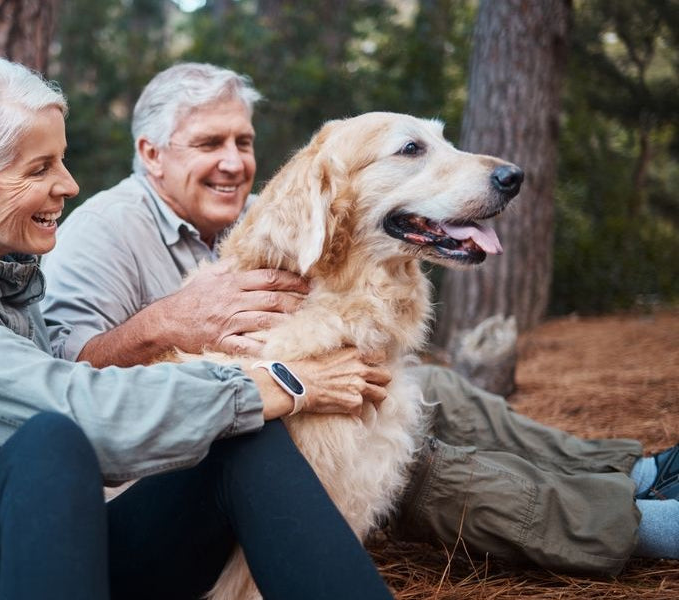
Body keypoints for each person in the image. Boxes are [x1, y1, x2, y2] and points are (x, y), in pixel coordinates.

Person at [41, 61, 679, 576]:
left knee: (440, 390)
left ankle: (636, 470)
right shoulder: (103, 229)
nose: (234, 161)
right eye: (210, 143)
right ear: (151, 154)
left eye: (244, 141)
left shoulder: (273, 212)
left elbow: (347, 257)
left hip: (259, 398)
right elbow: (64, 374)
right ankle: (638, 525)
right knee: (417, 456)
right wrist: (165, 324)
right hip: (181, 463)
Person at [0, 54, 396, 600]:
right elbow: (73, 412)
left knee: (239, 437)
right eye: (40, 168)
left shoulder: (8, 273)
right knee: (49, 439)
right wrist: (275, 385)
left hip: (54, 548)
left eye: (61, 160)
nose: (69, 185)